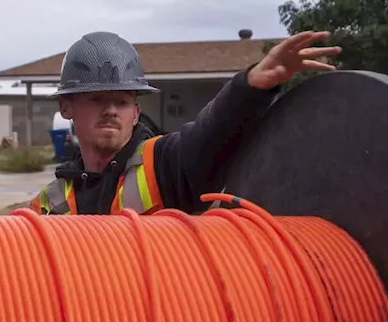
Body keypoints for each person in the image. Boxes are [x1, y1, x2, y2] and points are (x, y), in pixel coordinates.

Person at [30, 30, 341, 215]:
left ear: (136, 113)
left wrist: (249, 88)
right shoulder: (48, 203)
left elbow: (210, 134)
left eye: (122, 101)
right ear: (66, 108)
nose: (111, 110)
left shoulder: (164, 165)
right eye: (96, 99)